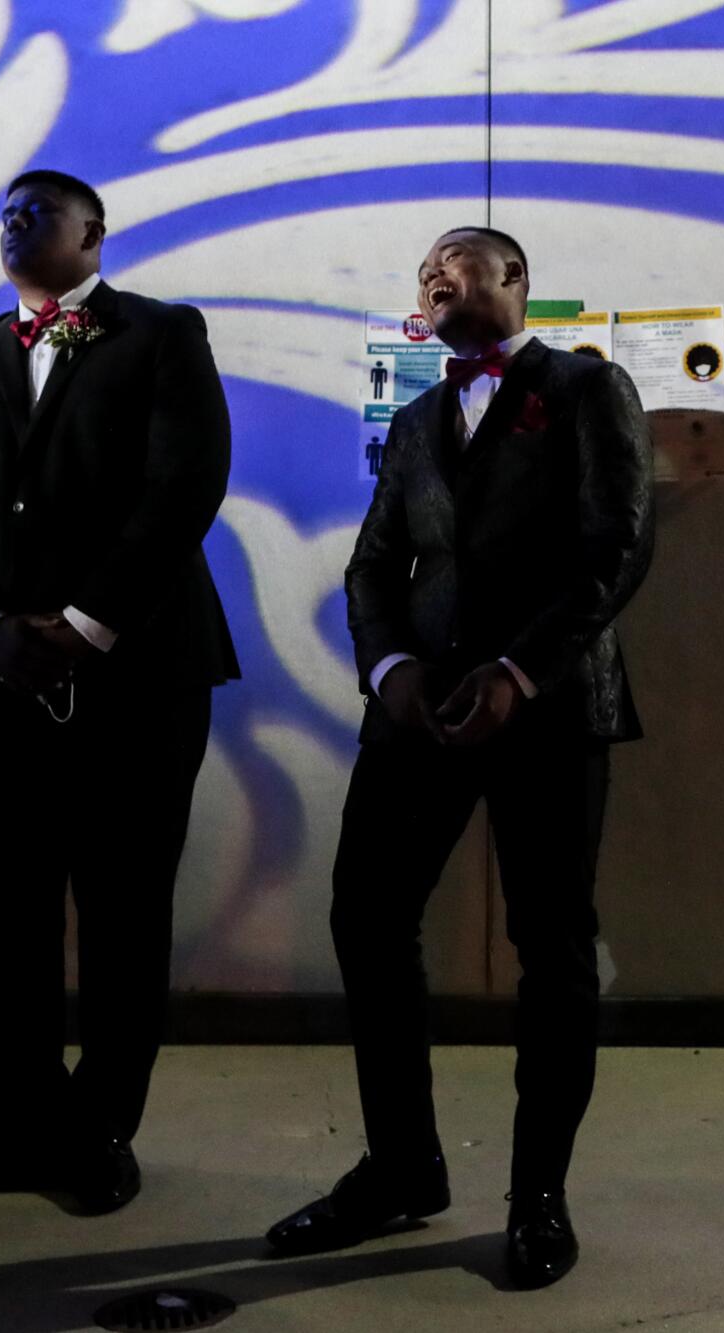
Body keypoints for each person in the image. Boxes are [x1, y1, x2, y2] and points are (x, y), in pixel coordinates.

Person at [265, 227, 654, 1287]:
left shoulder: (583, 387)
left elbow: (614, 545)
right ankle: (400, 1169)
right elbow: (372, 565)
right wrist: (386, 668)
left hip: (547, 709)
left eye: (457, 263)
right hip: (416, 710)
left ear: (514, 282)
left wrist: (516, 674)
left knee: (552, 945)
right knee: (365, 914)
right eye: (422, 273)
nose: (435, 278)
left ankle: (536, 1198)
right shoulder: (417, 416)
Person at [0, 169, 237, 1214]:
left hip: (139, 673)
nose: (12, 223)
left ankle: (100, 1128)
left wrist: (86, 623)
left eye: (36, 211)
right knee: (0, 913)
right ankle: (20, 1116)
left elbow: (184, 483)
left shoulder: (161, 333)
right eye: (1, 211)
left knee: (124, 907)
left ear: (93, 233)